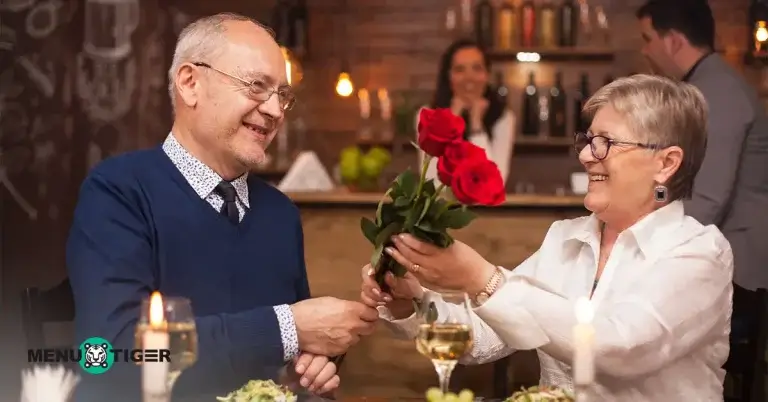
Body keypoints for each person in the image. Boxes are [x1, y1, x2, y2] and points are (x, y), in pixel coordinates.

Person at [361, 75, 733, 400]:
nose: (587, 155)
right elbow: (484, 335)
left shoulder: (700, 253)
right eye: (587, 140)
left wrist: (482, 279)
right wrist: (411, 302)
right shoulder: (565, 238)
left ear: (666, 163)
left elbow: (618, 347)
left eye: (605, 142)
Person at [67, 13, 378, 401]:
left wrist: (311, 365)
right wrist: (287, 330)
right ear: (190, 83)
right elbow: (108, 354)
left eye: (282, 95)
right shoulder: (117, 192)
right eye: (256, 87)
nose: (275, 110)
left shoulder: (280, 213)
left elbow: (294, 347)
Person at [636, 0, 768, 339]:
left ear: (674, 40)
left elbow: (708, 199)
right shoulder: (709, 85)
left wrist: (644, 230)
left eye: (648, 38)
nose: (644, 50)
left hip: (739, 278)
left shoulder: (715, 92)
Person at [418, 38, 516, 185]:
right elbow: (432, 181)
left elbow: (493, 183)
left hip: (485, 209)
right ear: (449, 77)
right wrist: (451, 120)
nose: (469, 78)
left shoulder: (504, 117)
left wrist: (477, 126)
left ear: (487, 75)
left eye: (477, 69)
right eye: (459, 70)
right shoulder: (427, 115)